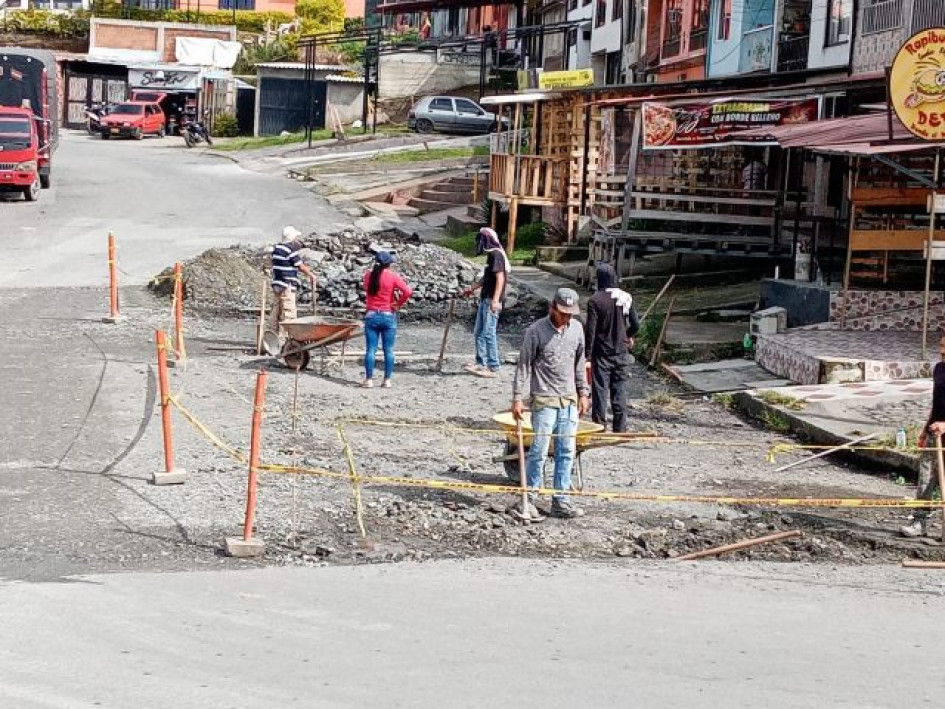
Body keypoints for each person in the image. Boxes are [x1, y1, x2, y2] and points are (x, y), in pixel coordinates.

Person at [511, 287, 591, 521]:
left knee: (566, 451)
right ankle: (530, 498)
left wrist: (583, 393)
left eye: (570, 314)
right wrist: (517, 398)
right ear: (552, 308)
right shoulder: (535, 331)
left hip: (568, 401)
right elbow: (524, 365)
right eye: (563, 313)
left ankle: (561, 500)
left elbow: (579, 364)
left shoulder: (577, 329)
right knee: (539, 450)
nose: (567, 317)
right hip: (544, 400)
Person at [585, 263, 640, 433]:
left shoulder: (595, 300)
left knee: (600, 389)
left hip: (602, 353)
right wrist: (627, 336)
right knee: (620, 389)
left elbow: (591, 331)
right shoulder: (625, 297)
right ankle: (620, 427)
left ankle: (600, 427)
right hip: (621, 351)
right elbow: (636, 325)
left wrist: (587, 355)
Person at [901, 334, 945, 537]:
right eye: (941, 347)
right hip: (933, 433)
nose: (942, 351)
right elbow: (936, 403)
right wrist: (924, 429)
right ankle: (920, 521)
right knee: (926, 477)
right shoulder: (939, 369)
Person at [462, 227, 510, 378]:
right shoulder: (491, 256)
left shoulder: (496, 255)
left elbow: (500, 278)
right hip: (485, 298)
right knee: (478, 332)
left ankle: (493, 365)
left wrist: (495, 300)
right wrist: (471, 288)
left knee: (489, 333)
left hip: (491, 300)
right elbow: (487, 278)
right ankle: (480, 362)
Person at [362, 251, 413, 389]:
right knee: (388, 350)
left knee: (370, 349)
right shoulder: (392, 276)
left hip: (372, 314)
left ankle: (368, 380)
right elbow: (408, 291)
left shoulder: (368, 276)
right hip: (388, 314)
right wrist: (397, 304)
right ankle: (387, 380)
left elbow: (366, 288)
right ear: (389, 263)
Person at [267, 226, 315, 338]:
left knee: (276, 310)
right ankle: (286, 338)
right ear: (291, 237)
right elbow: (300, 265)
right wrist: (311, 275)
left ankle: (271, 335)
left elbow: (269, 262)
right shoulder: (290, 249)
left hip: (277, 283)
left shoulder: (276, 248)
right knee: (288, 311)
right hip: (287, 283)